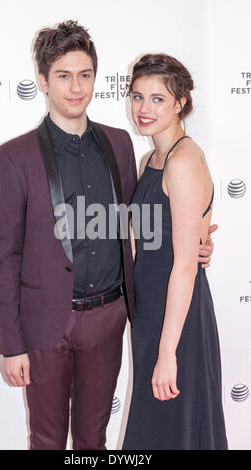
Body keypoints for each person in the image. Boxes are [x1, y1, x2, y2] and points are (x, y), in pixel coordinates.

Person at [0, 21, 215, 450]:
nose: (76, 87)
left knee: (94, 439)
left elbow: (150, 217)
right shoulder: (14, 157)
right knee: (47, 439)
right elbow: (5, 257)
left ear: (95, 77)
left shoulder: (120, 144)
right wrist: (11, 344)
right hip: (45, 326)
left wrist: (201, 236)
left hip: (109, 319)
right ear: (43, 80)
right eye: (63, 75)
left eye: (85, 74)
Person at [122, 54, 228, 450]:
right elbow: (152, 237)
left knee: (172, 426)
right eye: (137, 97)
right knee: (156, 428)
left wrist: (168, 353)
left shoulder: (183, 160)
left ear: (180, 102)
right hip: (152, 312)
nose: (143, 109)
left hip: (177, 320)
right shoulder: (150, 158)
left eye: (157, 99)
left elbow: (184, 267)